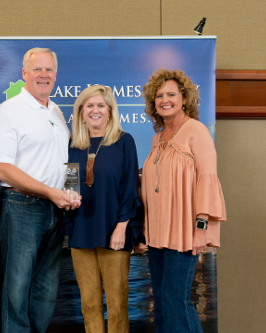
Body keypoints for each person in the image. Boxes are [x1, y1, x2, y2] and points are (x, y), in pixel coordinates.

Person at [0, 47, 75, 333]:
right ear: (24, 73)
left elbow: (68, 159)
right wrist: (50, 192)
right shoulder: (9, 111)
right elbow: (1, 169)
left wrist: (71, 191)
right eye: (37, 69)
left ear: (55, 75)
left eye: (49, 70)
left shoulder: (55, 111)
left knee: (47, 287)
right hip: (23, 206)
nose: (43, 75)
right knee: (17, 287)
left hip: (57, 208)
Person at [141, 68, 227, 333]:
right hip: (157, 235)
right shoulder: (157, 139)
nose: (164, 100)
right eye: (159, 96)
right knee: (164, 302)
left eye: (171, 94)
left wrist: (201, 228)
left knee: (175, 299)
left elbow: (207, 179)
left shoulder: (196, 131)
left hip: (185, 232)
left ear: (185, 98)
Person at [63, 85, 144, 333]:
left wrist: (122, 228)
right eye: (89, 105)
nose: (95, 110)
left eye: (101, 105)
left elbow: (130, 188)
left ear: (110, 111)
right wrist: (69, 199)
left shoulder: (124, 142)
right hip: (82, 231)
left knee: (117, 305)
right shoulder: (73, 145)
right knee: (88, 304)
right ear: (81, 111)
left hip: (114, 232)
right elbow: (70, 185)